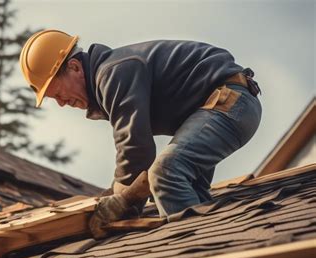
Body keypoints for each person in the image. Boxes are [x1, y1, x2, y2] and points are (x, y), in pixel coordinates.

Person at [19, 29, 262, 219]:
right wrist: (115, 196)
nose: (61, 104)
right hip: (217, 108)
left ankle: (201, 253)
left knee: (165, 175)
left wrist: (121, 200)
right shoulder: (110, 77)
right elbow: (134, 157)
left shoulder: (113, 73)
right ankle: (211, 240)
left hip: (230, 103)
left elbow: (136, 148)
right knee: (175, 194)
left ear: (74, 67)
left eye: (58, 94)